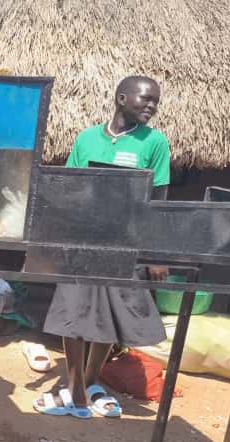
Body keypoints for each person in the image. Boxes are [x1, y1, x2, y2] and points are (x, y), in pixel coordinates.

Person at [34, 76, 170, 419]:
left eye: (156, 101)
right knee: (73, 310)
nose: (152, 106)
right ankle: (76, 386)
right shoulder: (87, 138)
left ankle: (92, 381)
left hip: (123, 244)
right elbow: (70, 187)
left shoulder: (154, 143)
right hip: (83, 239)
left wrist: (153, 252)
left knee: (108, 314)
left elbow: (159, 200)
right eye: (146, 98)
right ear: (122, 98)